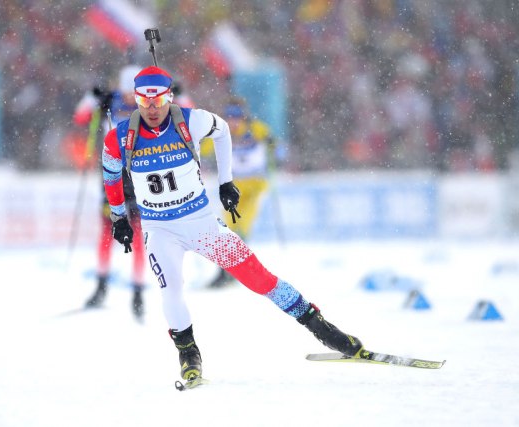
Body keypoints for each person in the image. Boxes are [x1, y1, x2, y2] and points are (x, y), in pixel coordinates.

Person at [102, 66, 364, 383]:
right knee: (170, 291)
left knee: (259, 278)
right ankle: (189, 355)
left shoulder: (191, 120)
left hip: (201, 224)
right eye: (145, 101)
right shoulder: (119, 137)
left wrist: (226, 181)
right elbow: (111, 174)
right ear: (136, 99)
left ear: (169, 97)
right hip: (160, 230)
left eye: (158, 100)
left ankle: (322, 328)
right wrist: (118, 216)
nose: (152, 109)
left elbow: (223, 130)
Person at [73, 65, 146, 320]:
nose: (129, 98)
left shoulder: (149, 105)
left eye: (134, 93)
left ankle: (138, 291)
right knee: (108, 230)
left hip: (138, 173)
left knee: (138, 233)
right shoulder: (109, 101)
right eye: (126, 92)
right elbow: (81, 117)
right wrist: (92, 97)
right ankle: (101, 286)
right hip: (112, 172)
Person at [205, 97, 275, 288]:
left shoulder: (255, 129)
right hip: (233, 188)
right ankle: (227, 271)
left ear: (244, 117)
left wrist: (271, 144)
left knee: (242, 226)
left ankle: (234, 271)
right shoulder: (222, 132)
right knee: (228, 228)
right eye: (229, 117)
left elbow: (273, 143)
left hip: (255, 187)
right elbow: (205, 148)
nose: (233, 121)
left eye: (236, 117)